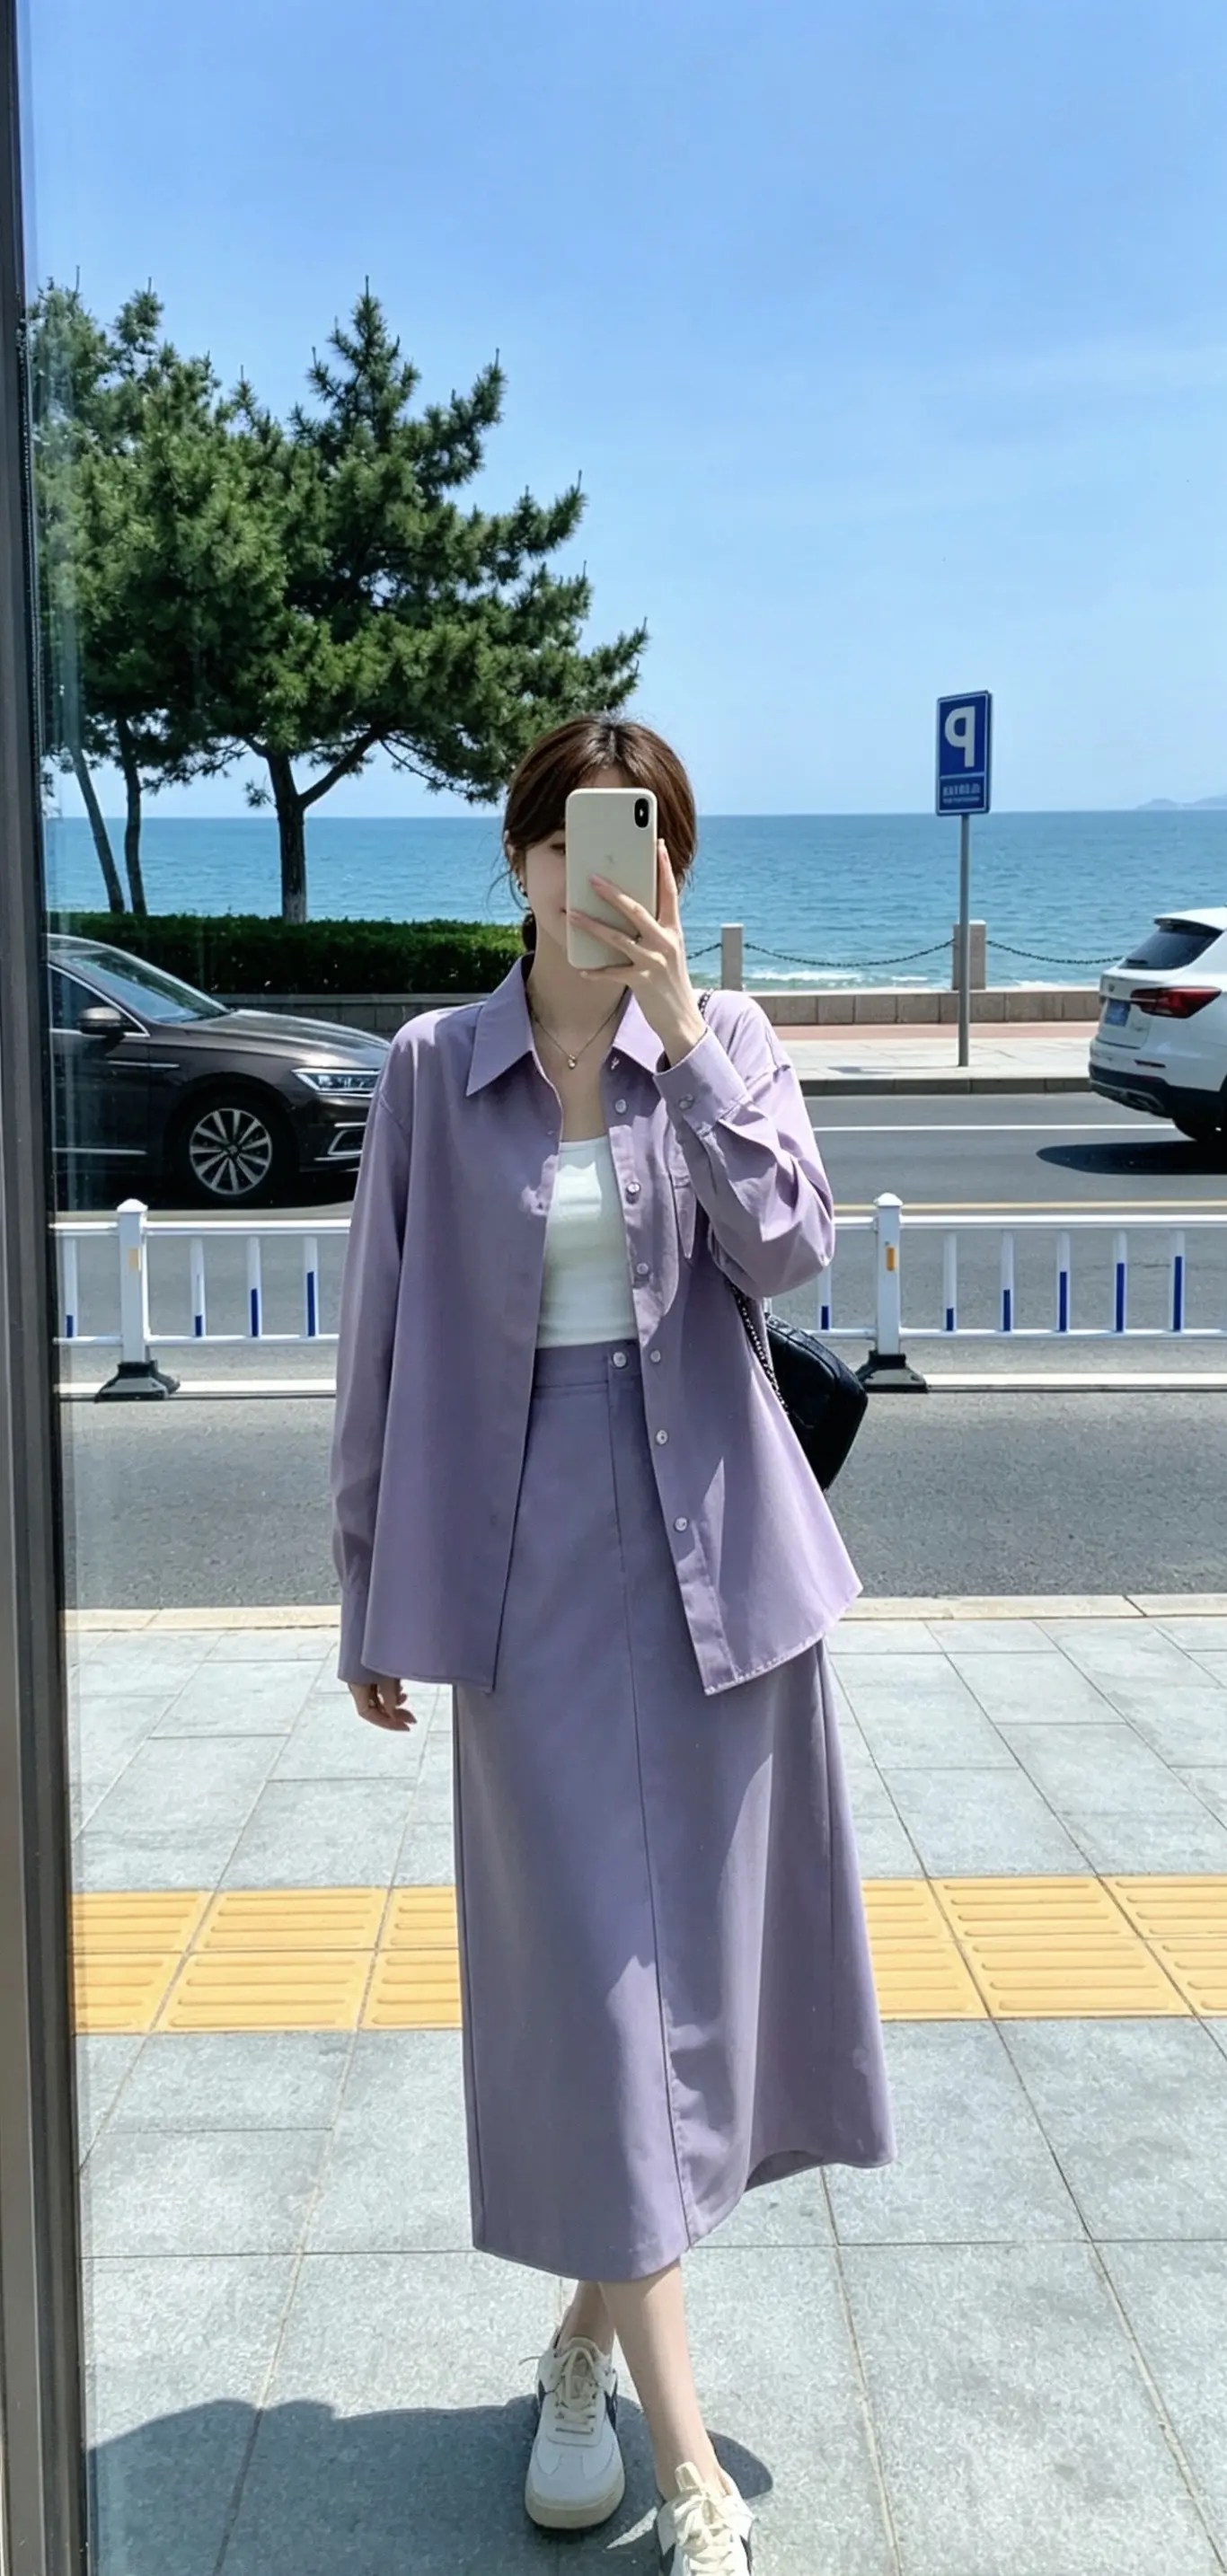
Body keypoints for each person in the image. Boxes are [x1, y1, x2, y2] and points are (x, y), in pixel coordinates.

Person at [329, 713, 896, 2575]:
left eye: (648, 841)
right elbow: (380, 1333)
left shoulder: (723, 1040)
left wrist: (680, 1038)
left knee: (692, 2006)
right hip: (521, 1577)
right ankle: (691, 2471)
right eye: (579, 837)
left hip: (719, 1570)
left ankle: (584, 2347)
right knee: (592, 1999)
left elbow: (790, 1250)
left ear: (671, 869)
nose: (610, 871)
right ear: (519, 863)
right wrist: (367, 1580)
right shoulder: (433, 1067)